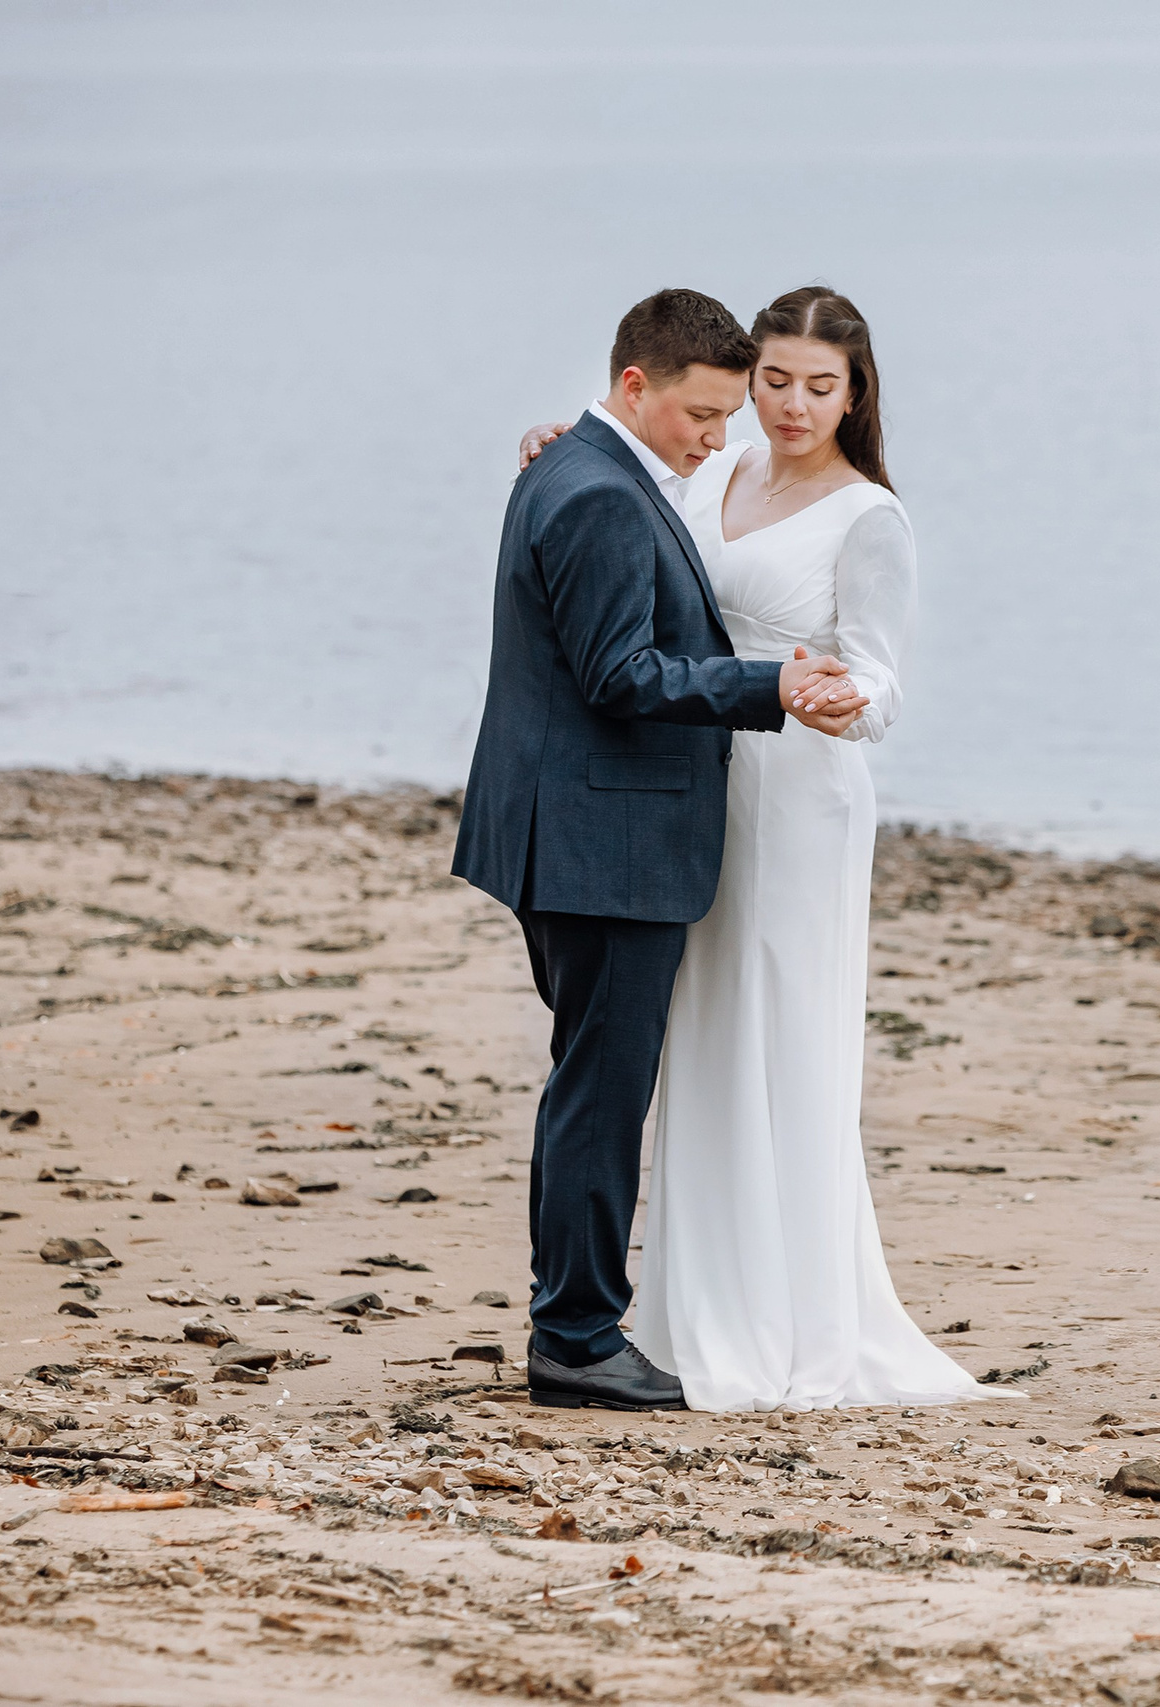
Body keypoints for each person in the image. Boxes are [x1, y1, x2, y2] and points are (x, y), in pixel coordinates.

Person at [516, 284, 1001, 1412]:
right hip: (684, 786)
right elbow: (629, 502)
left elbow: (881, 683)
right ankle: (687, 1307)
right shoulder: (716, 467)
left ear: (856, 393)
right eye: (774, 381)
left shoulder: (868, 516)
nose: (790, 406)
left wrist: (839, 702)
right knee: (694, 1039)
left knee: (779, 1039)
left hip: (793, 797)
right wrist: (557, 443)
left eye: (819, 387)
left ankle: (784, 1317)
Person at [454, 287, 871, 1411]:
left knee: (588, 1080)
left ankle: (573, 1320)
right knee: (600, 1091)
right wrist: (772, 686)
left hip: (575, 826)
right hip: (604, 839)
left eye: (730, 415)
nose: (719, 438)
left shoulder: (578, 462)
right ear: (634, 386)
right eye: (702, 413)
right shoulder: (597, 489)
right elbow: (619, 674)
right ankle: (576, 1337)